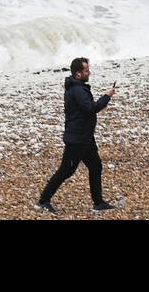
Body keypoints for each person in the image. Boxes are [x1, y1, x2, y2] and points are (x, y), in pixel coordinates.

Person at [37, 57, 117, 212]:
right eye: (87, 70)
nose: (89, 72)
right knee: (66, 170)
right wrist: (107, 96)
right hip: (77, 139)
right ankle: (43, 200)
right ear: (78, 74)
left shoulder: (78, 87)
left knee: (95, 166)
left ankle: (98, 202)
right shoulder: (78, 90)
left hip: (85, 137)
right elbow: (91, 108)